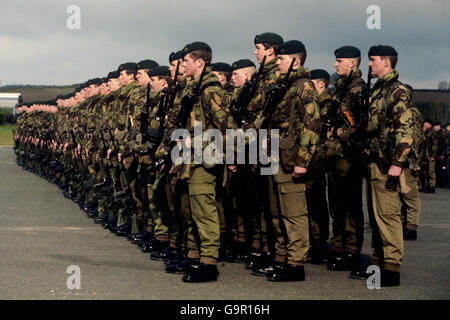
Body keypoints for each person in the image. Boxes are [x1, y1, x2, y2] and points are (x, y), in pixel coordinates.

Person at [365, 45, 414, 286]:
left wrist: (398, 162)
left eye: (373, 60)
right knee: (376, 217)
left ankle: (392, 268)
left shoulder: (397, 91)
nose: (369, 64)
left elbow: (406, 128)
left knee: (388, 215)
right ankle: (379, 262)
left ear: (387, 62)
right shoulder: (378, 90)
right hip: (374, 161)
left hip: (386, 164)